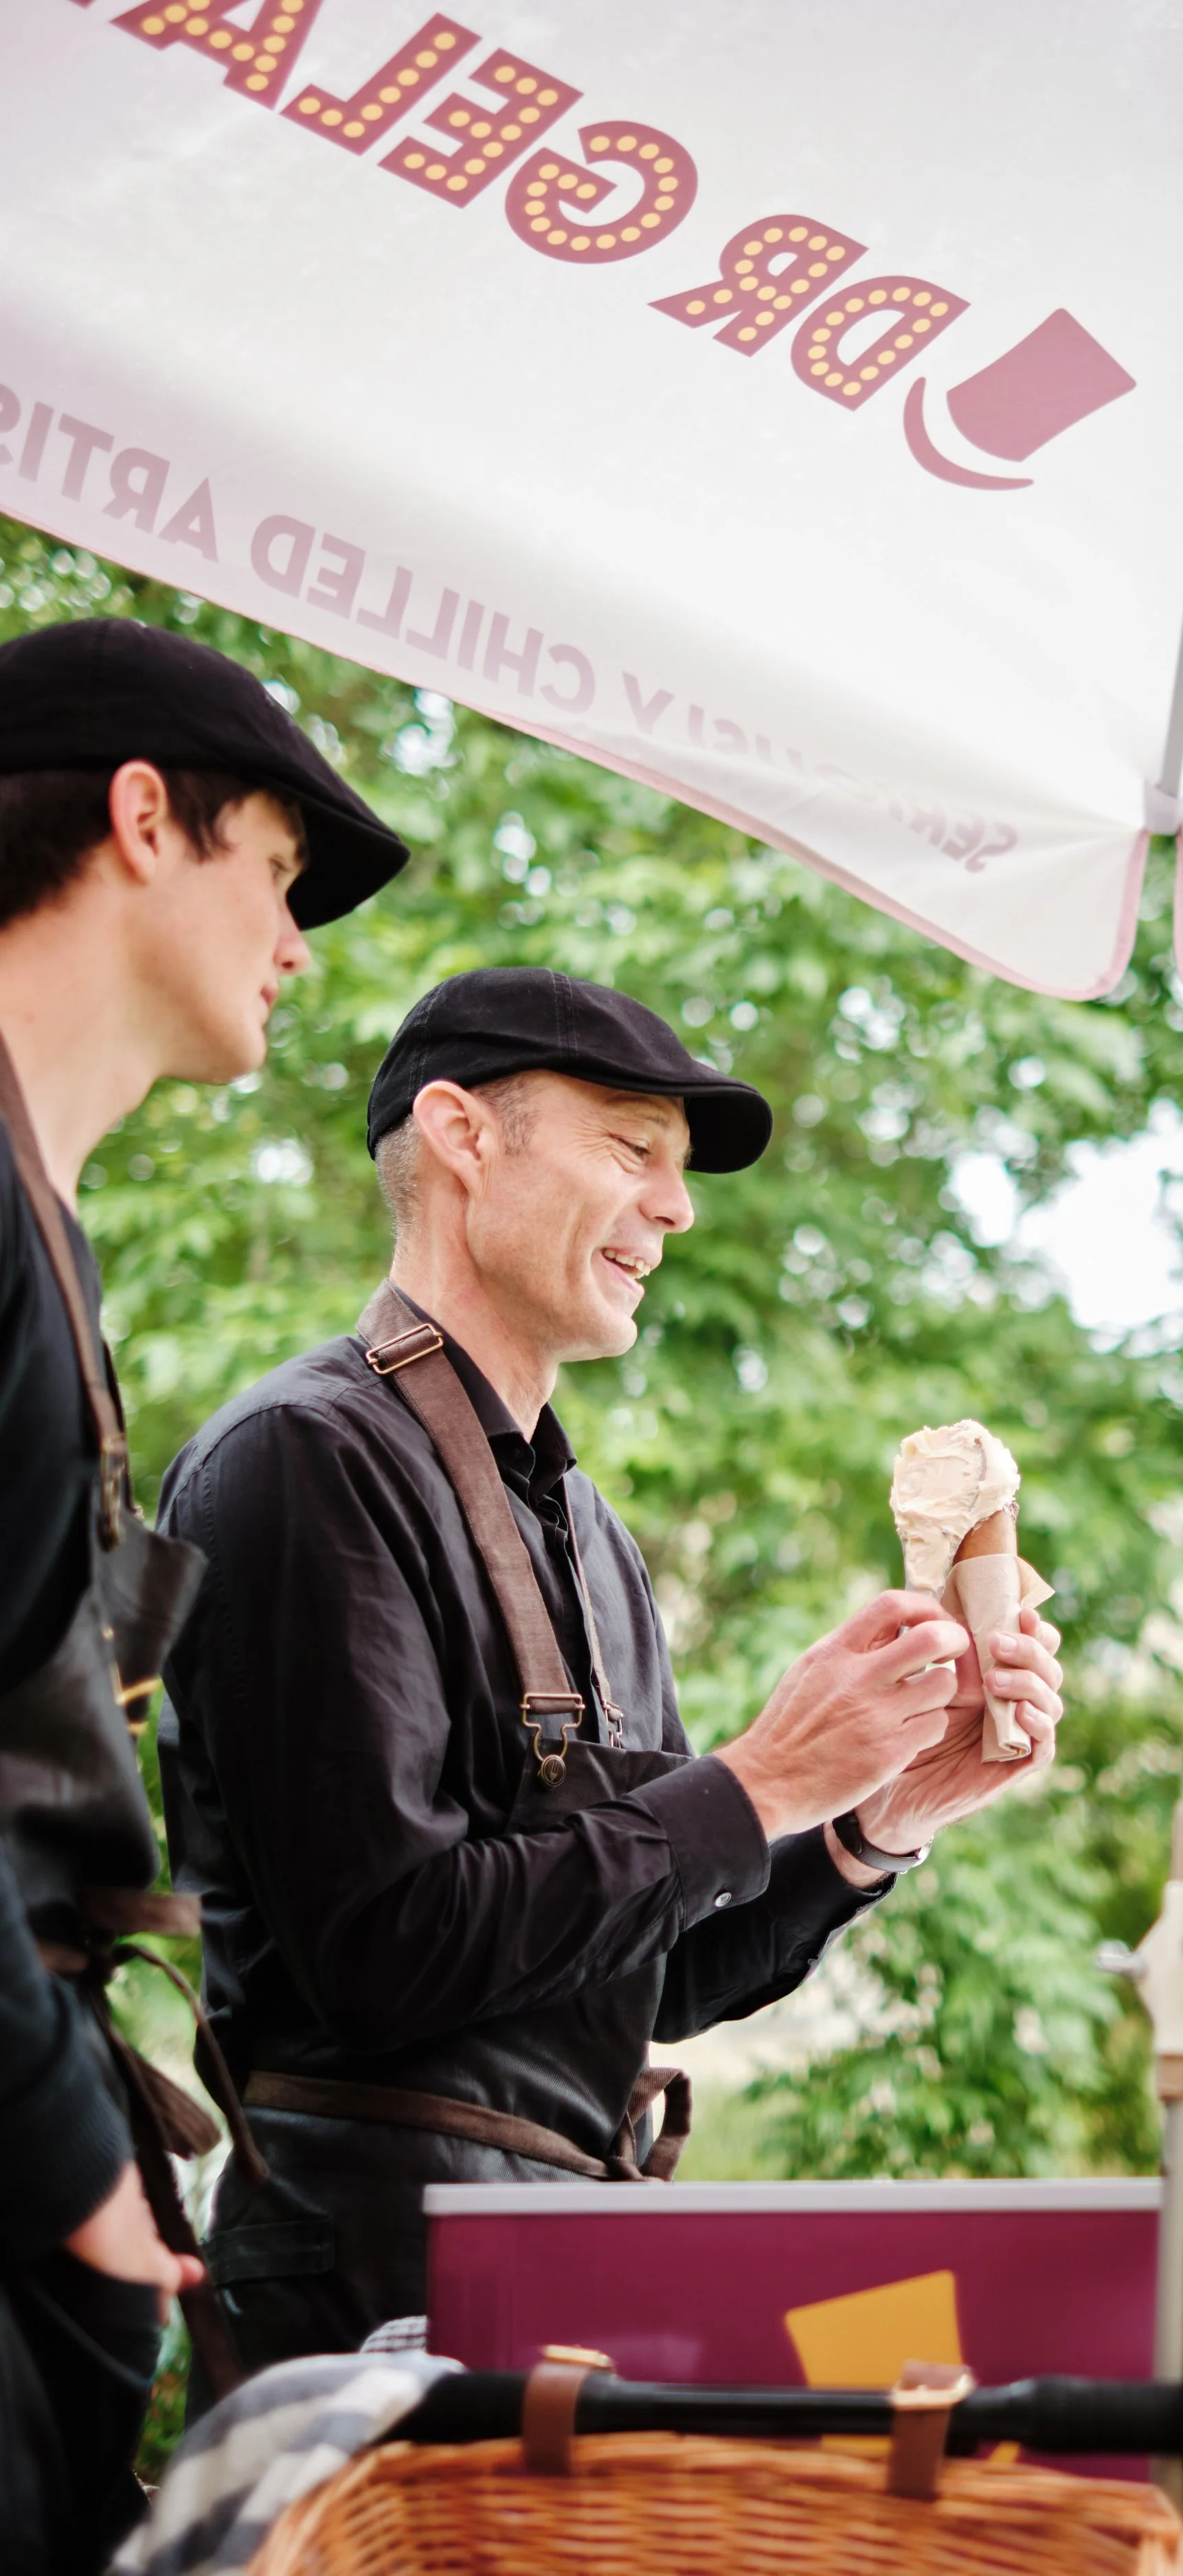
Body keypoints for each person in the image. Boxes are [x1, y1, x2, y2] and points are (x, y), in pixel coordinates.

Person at [157, 964, 1064, 2377]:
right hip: (373, 2299)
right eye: (632, 1151)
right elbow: (381, 1953)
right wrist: (758, 1776)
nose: (678, 1209)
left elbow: (654, 1975)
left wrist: (878, 1814)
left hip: (564, 2274)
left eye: (679, 1173)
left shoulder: (589, 1536)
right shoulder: (301, 1461)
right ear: (462, 1136)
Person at [0, 616, 407, 2574]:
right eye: (281, 869)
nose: (301, 939)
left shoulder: (40, 1219)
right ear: (142, 817)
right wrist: (73, 2159)